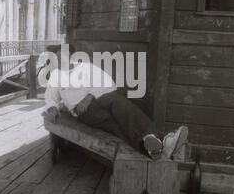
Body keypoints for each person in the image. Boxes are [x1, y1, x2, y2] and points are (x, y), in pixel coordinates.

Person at [42, 44, 188, 160]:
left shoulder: (86, 68)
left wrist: (88, 97)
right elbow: (50, 97)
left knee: (120, 104)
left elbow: (109, 83)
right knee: (116, 125)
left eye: (64, 56)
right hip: (86, 113)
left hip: (102, 99)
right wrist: (53, 109)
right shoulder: (56, 76)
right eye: (58, 58)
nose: (61, 60)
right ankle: (161, 143)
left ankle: (154, 144)